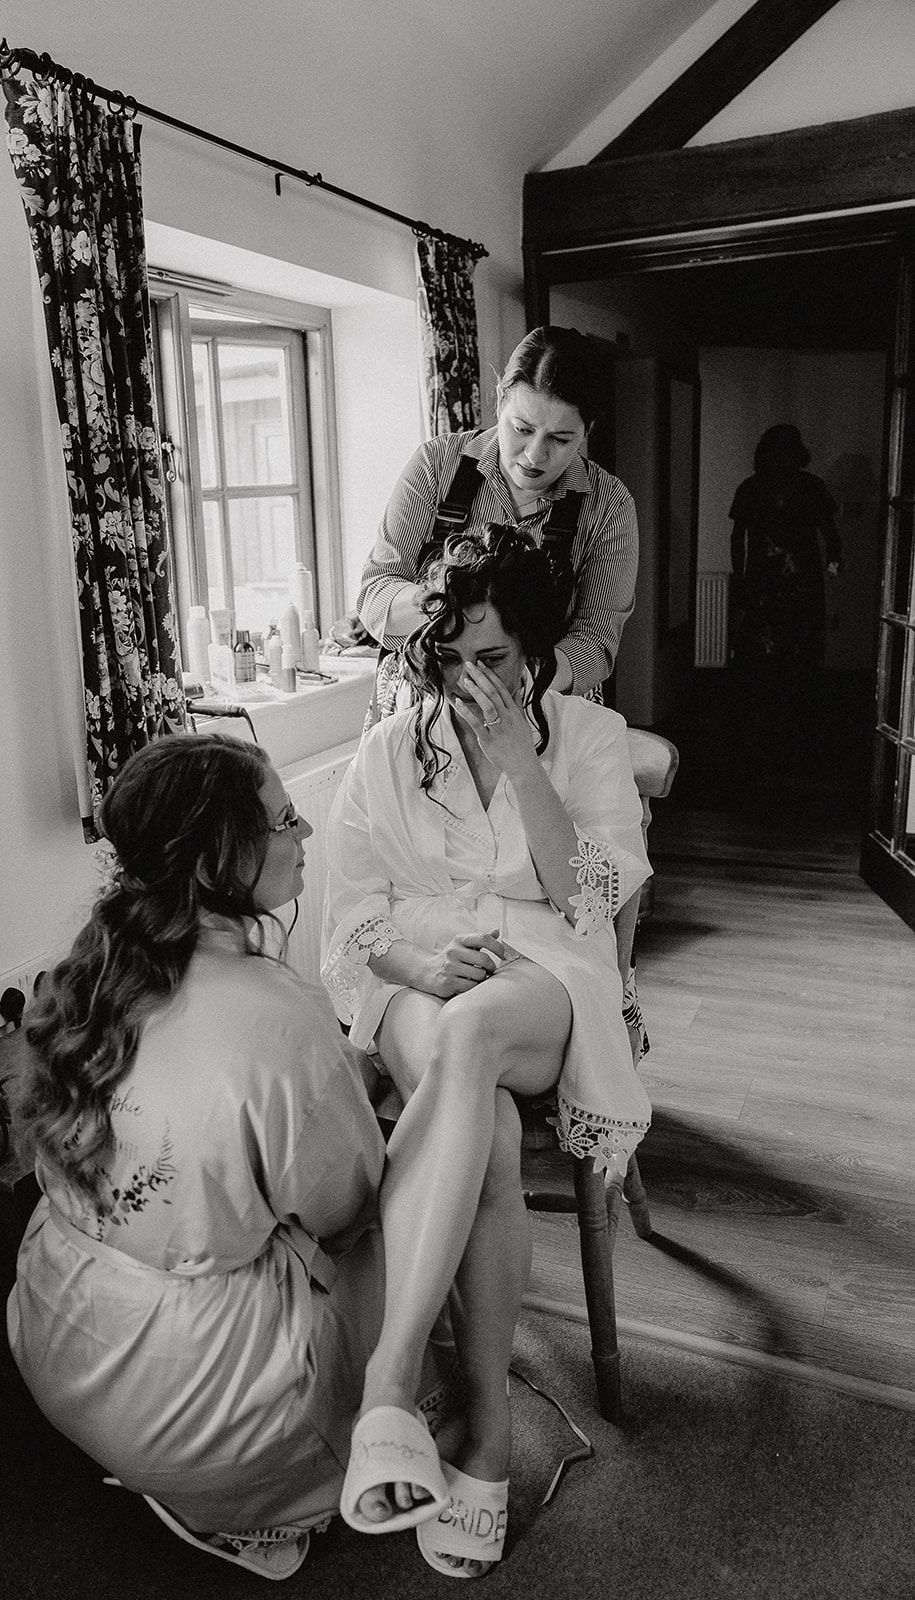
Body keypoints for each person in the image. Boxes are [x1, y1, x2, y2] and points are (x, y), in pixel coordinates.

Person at [6, 732, 458, 1581]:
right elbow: (346, 1207)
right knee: (429, 1185)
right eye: (287, 821)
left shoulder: (87, 970)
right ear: (223, 853)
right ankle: (274, 1492)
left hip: (56, 1335)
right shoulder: (278, 1011)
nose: (306, 836)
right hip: (204, 1404)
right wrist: (389, 1106)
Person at [322, 528, 652, 1577]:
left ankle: (386, 1381)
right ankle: (487, 1436)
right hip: (424, 976)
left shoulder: (590, 736)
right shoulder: (385, 751)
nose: (472, 680)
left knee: (473, 1035)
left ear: (540, 650)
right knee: (491, 1139)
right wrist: (414, 968)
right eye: (451, 655)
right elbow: (348, 923)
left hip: (549, 972)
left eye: (497, 658)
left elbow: (589, 902)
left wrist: (523, 765)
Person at [357, 324, 638, 718]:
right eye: (522, 429)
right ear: (500, 402)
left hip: (541, 705)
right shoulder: (436, 466)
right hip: (423, 706)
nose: (535, 456)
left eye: (561, 438)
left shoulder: (607, 505)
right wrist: (447, 599)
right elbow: (375, 599)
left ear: (587, 431)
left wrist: (515, 684)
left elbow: (596, 643)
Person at [729, 423, 843, 783]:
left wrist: (835, 558)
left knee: (801, 651)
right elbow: (738, 538)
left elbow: (829, 531)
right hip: (764, 583)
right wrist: (742, 581)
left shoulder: (811, 487)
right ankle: (764, 729)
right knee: (761, 656)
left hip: (800, 583)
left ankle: (797, 729)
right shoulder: (751, 488)